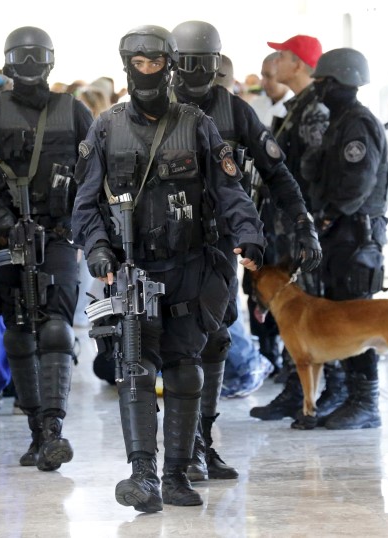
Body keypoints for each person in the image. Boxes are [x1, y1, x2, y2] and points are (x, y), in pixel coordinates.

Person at [72, 25, 265, 512]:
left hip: (190, 266)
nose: (147, 72)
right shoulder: (105, 127)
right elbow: (85, 205)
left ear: (170, 64)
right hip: (133, 269)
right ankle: (143, 476)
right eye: (137, 63)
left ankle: (177, 474)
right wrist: (97, 249)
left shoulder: (198, 123)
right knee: (135, 370)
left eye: (155, 62)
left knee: (184, 372)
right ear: (125, 66)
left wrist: (249, 235)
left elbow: (230, 191)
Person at [170, 20, 321, 482]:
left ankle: (202, 442)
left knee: (215, 338)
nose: (196, 71)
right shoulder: (151, 107)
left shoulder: (235, 111)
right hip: (162, 246)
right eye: (188, 62)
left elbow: (277, 173)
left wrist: (302, 222)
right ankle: (172, 454)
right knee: (175, 349)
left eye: (205, 63)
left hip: (219, 241)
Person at [0, 26, 93, 472]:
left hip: (60, 235)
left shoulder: (75, 112)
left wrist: (87, 225)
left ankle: (53, 430)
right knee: (17, 329)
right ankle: (36, 431)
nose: (29, 68)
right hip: (4, 236)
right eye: (22, 58)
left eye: (37, 58)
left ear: (49, 61)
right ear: (10, 63)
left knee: (55, 328)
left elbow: (97, 173)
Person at [250, 34, 338, 423]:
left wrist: (310, 223)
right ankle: (297, 387)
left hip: (302, 228)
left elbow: (316, 173)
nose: (275, 62)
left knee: (310, 314)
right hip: (287, 225)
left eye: (282, 56)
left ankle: (322, 392)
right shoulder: (297, 106)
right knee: (292, 316)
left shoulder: (314, 110)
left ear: (299, 64)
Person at [302, 48, 388, 430]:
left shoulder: (357, 123)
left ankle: (365, 401)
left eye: (322, 83)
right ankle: (345, 393)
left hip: (356, 236)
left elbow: (357, 183)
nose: (317, 89)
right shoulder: (340, 121)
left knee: (357, 320)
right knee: (339, 317)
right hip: (340, 235)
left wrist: (330, 214)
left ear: (339, 83)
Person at [249, 52, 293, 127]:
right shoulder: (254, 105)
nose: (263, 83)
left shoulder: (295, 110)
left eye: (269, 76)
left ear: (284, 74)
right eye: (263, 76)